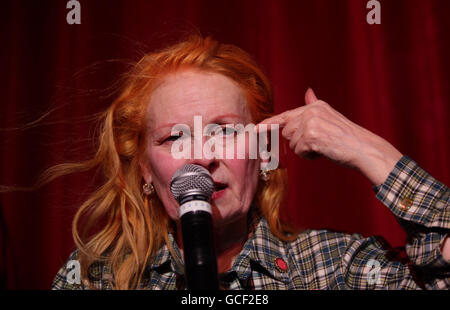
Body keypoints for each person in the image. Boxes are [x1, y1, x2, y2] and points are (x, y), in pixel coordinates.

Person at [51, 34, 450, 290]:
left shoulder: (336, 267)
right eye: (175, 136)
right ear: (144, 172)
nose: (203, 157)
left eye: (225, 131)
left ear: (262, 155)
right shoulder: (96, 277)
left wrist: (369, 151)